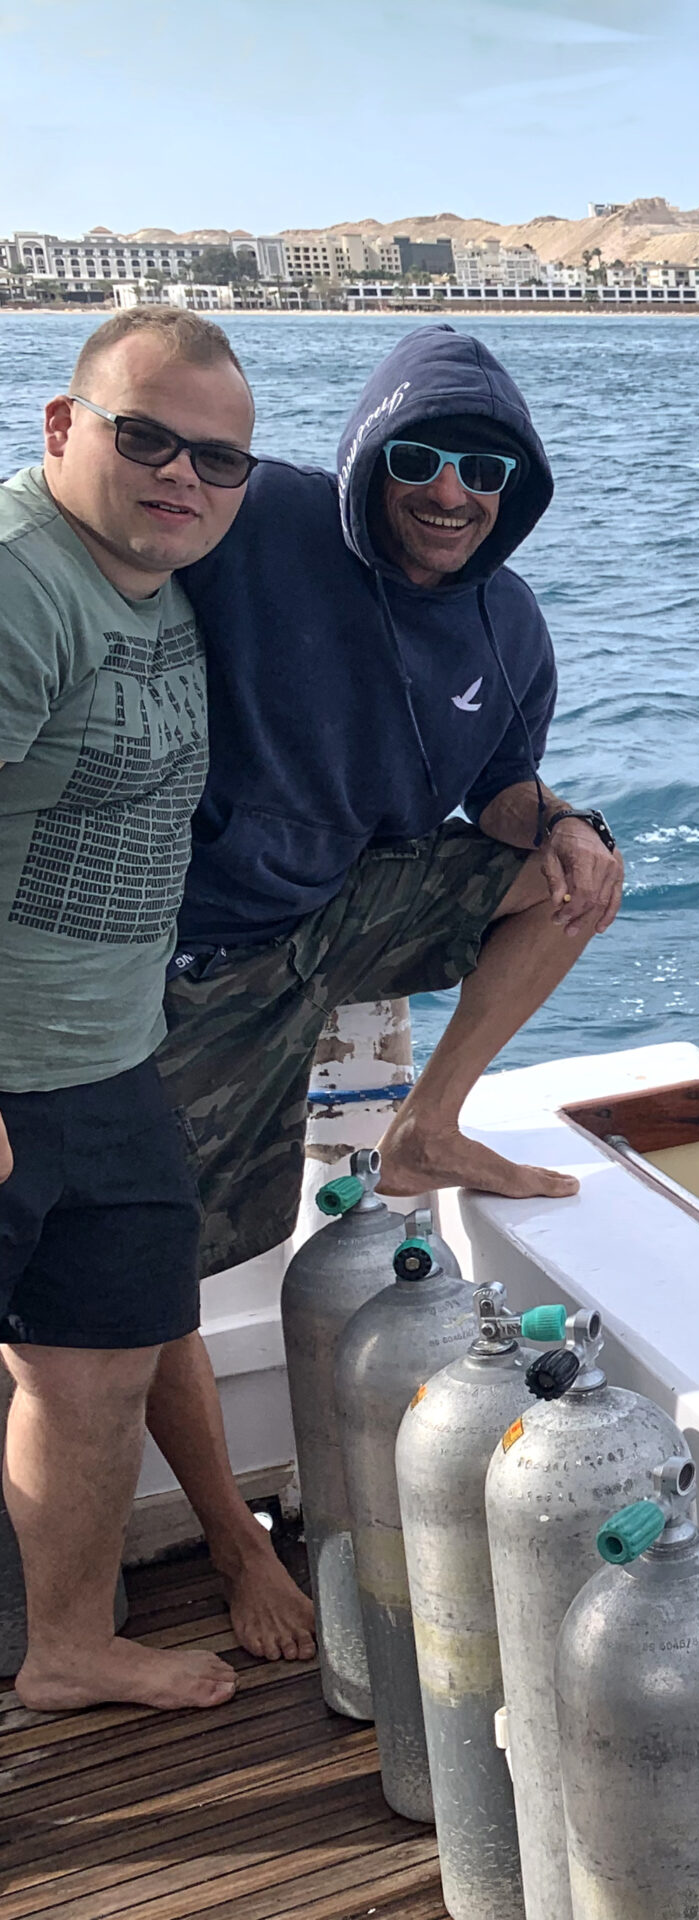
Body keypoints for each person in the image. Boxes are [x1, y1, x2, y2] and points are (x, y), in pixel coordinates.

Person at [148, 324, 626, 1663]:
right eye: (417, 455)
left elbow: (503, 795)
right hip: (205, 948)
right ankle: (236, 1536)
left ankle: (431, 1121)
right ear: (369, 457)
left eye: (484, 465)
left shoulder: (507, 621)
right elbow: (137, 524)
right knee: (154, 1272)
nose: (450, 488)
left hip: (344, 908)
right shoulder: (275, 516)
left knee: (577, 878)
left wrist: (570, 820)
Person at [1, 309, 253, 1711]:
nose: (182, 476)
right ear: (60, 427)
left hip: (104, 1061)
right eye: (144, 435)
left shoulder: (155, 584)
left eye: (218, 460)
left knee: (92, 1374)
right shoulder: (19, 581)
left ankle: (66, 1648)